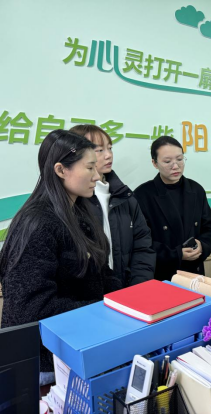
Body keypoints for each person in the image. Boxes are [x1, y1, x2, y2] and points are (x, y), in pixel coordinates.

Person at [0, 130, 122, 383]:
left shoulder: (79, 212)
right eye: (89, 168)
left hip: (79, 346)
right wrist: (104, 309)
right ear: (60, 170)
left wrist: (125, 302)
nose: (97, 176)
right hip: (45, 362)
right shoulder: (37, 223)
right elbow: (32, 310)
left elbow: (101, 271)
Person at [69, 124, 155, 286]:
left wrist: (138, 286)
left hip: (127, 290)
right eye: (99, 150)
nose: (108, 155)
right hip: (88, 295)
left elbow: (143, 245)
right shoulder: (73, 200)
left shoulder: (125, 196)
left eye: (110, 148)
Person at [134, 136, 211, 280]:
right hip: (162, 274)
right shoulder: (143, 194)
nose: (175, 166)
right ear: (154, 163)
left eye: (179, 159)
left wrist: (202, 246)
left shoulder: (196, 190)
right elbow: (140, 241)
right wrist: (176, 254)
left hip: (194, 273)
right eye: (167, 161)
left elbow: (208, 228)